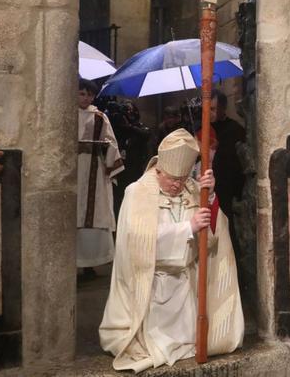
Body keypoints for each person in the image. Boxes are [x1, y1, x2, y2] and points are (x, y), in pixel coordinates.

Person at [99, 129, 244, 372]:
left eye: (183, 178)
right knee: (156, 342)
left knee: (195, 340)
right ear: (158, 170)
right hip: (151, 286)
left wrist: (210, 196)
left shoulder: (192, 188)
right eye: (172, 179)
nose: (178, 185)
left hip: (185, 285)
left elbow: (214, 239)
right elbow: (139, 242)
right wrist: (188, 227)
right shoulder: (137, 193)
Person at [77, 78, 124, 279]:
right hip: (73, 169)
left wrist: (106, 149)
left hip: (93, 169)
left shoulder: (99, 117)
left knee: (92, 212)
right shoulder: (65, 114)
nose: (86, 98)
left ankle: (90, 264)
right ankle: (73, 263)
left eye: (89, 94)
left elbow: (112, 144)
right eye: (81, 93)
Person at [209, 90, 246, 220]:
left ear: (223, 108)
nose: (208, 113)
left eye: (212, 109)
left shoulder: (235, 129)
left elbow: (238, 162)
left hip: (228, 187)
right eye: (206, 109)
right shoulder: (204, 129)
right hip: (209, 184)